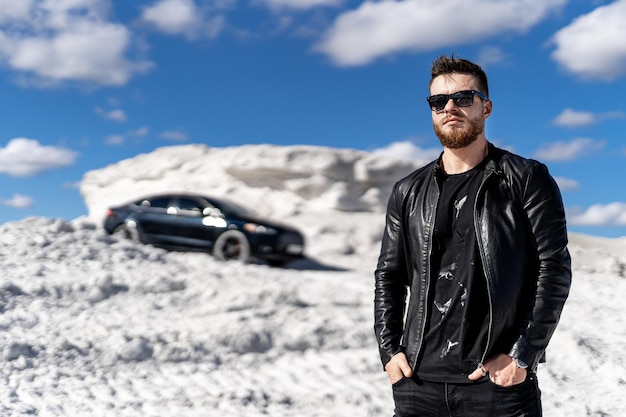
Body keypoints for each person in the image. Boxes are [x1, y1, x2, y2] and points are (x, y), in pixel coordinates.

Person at [374, 54, 571, 417]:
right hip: (418, 385)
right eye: (438, 101)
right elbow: (389, 274)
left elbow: (553, 268)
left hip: (496, 387)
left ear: (487, 106)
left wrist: (523, 354)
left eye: (464, 98)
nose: (450, 107)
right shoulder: (407, 190)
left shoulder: (525, 178)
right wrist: (390, 352)